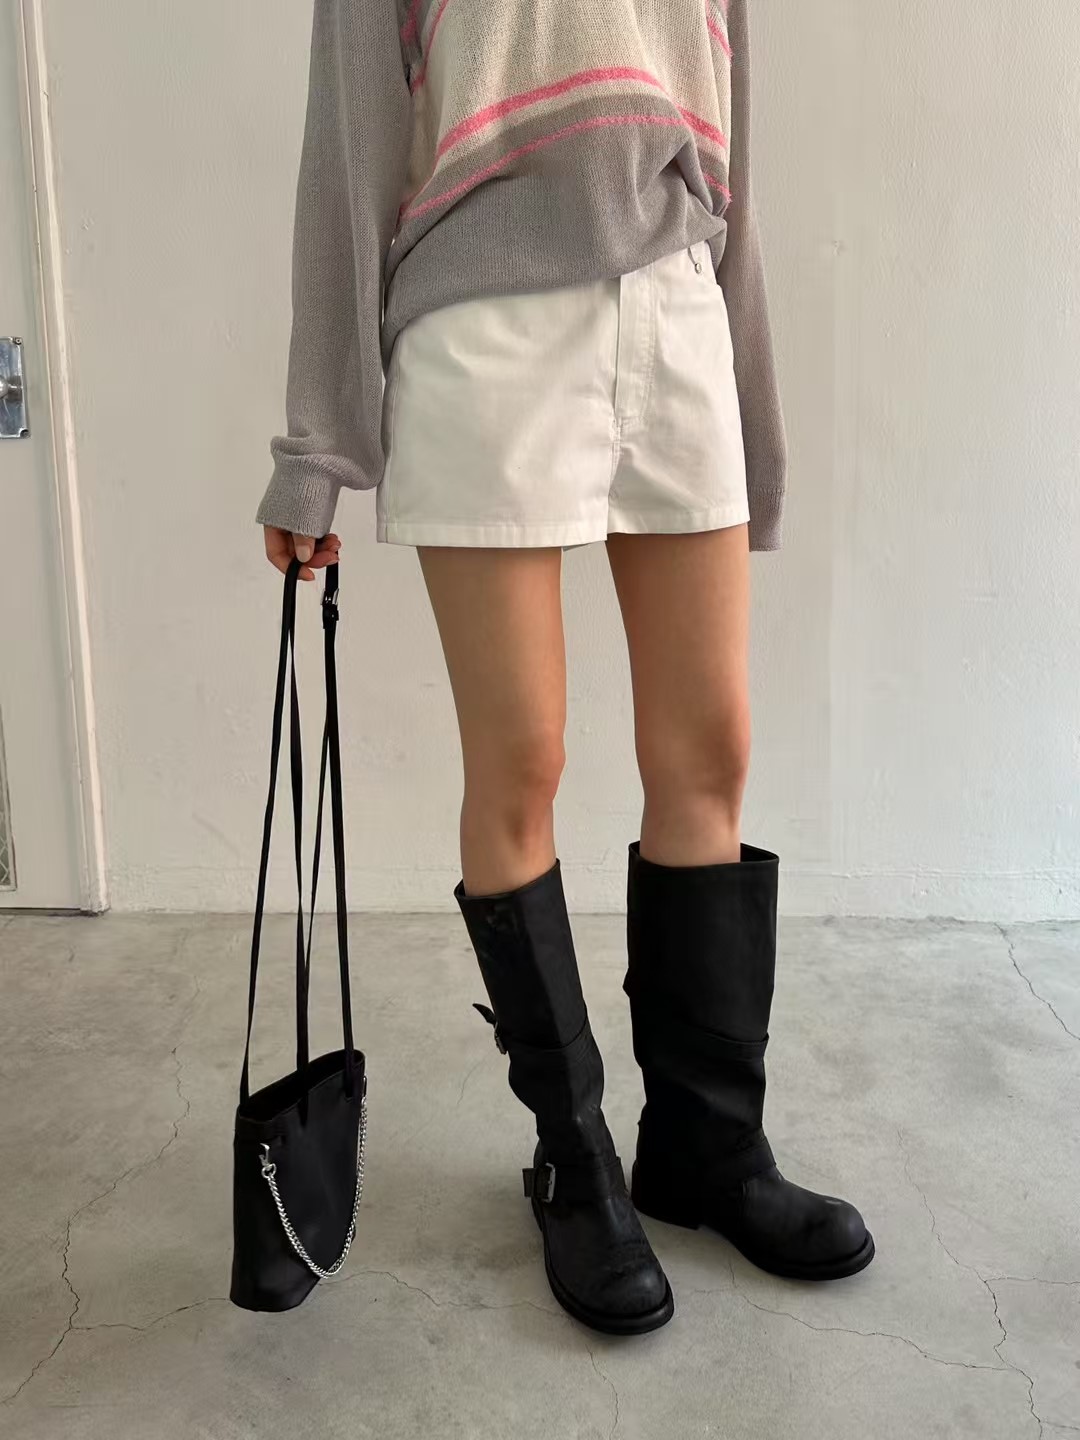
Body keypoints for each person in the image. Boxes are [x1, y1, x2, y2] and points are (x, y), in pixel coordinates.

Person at [258, 0, 873, 1336]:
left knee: (711, 748)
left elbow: (732, 152)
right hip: (479, 320)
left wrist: (753, 417)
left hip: (676, 301)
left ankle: (708, 1145)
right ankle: (573, 1160)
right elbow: (349, 151)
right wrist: (318, 447)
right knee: (522, 755)